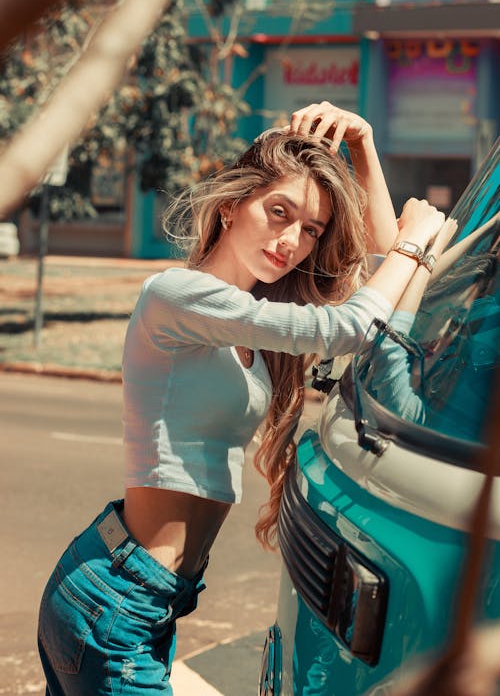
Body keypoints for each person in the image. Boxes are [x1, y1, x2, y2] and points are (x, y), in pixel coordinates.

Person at [37, 101, 448, 695]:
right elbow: (354, 321)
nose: (291, 242)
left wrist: (363, 144)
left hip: (145, 598)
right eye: (278, 212)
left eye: (311, 230)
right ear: (231, 205)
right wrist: (414, 240)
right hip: (116, 600)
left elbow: (390, 278)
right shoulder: (176, 295)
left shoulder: (256, 324)